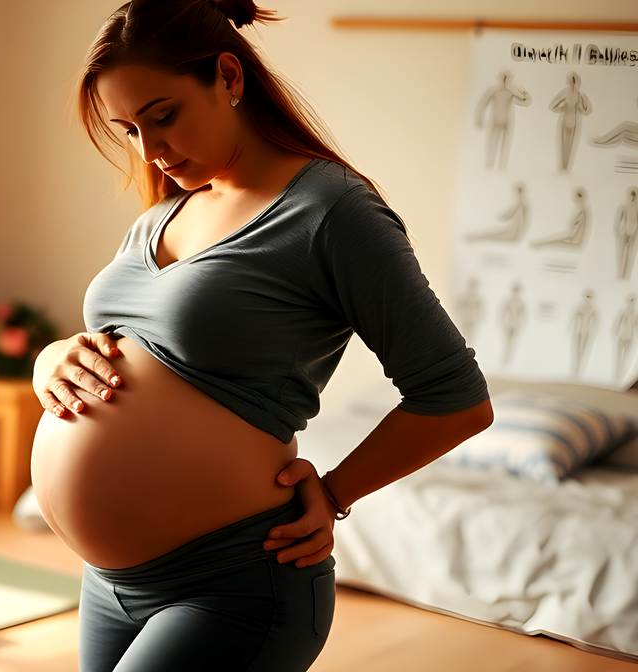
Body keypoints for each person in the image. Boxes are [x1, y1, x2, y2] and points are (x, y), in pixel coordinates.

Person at [29, 2, 494, 671]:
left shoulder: (332, 211)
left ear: (228, 76)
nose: (149, 149)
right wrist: (52, 359)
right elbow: (127, 337)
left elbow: (455, 394)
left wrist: (334, 494)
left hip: (235, 584)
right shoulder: (168, 210)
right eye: (128, 129)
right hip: (110, 585)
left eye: (163, 115)